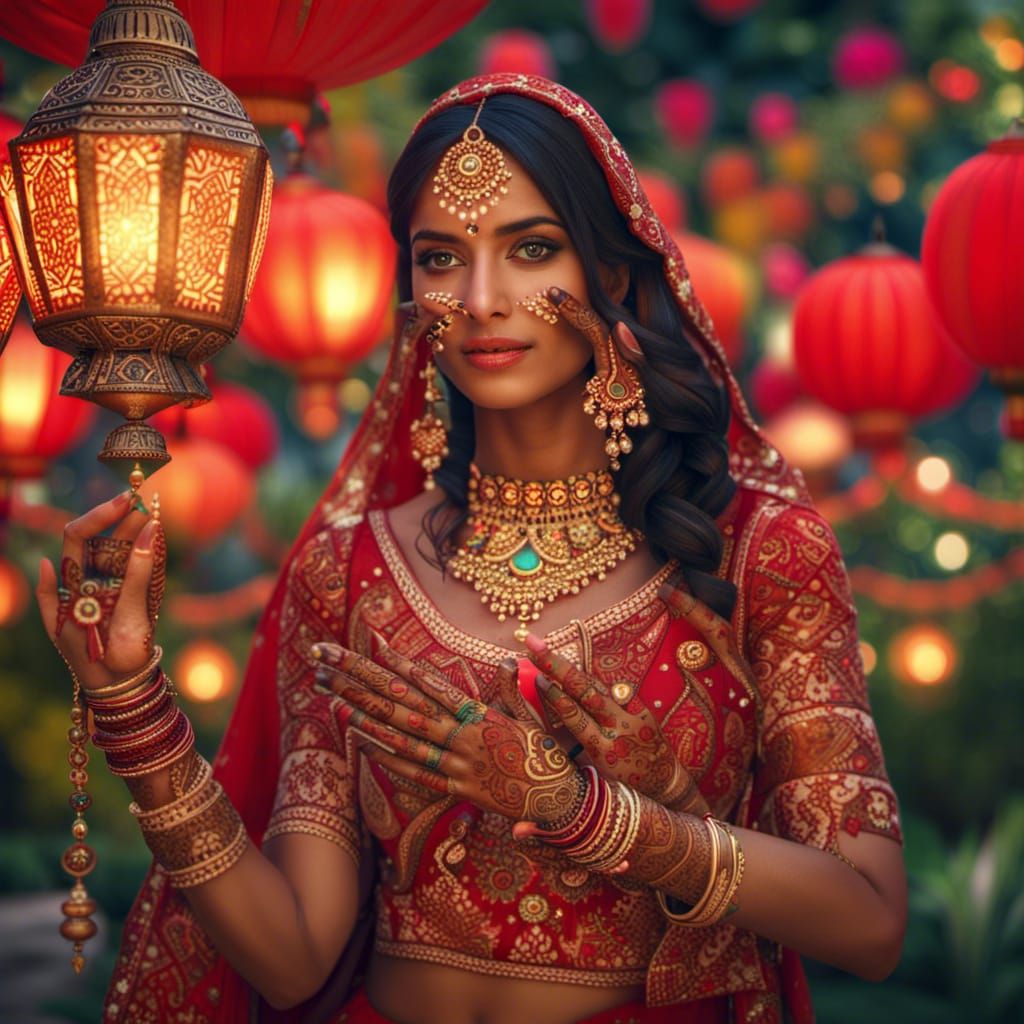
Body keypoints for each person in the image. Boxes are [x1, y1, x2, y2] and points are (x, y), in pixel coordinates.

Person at [37, 74, 906, 1024]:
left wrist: (592, 815)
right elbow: (291, 960)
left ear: (613, 274)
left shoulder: (757, 552)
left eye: (532, 249)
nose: (483, 299)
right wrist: (133, 709)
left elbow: (867, 920)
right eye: (441, 258)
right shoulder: (352, 569)